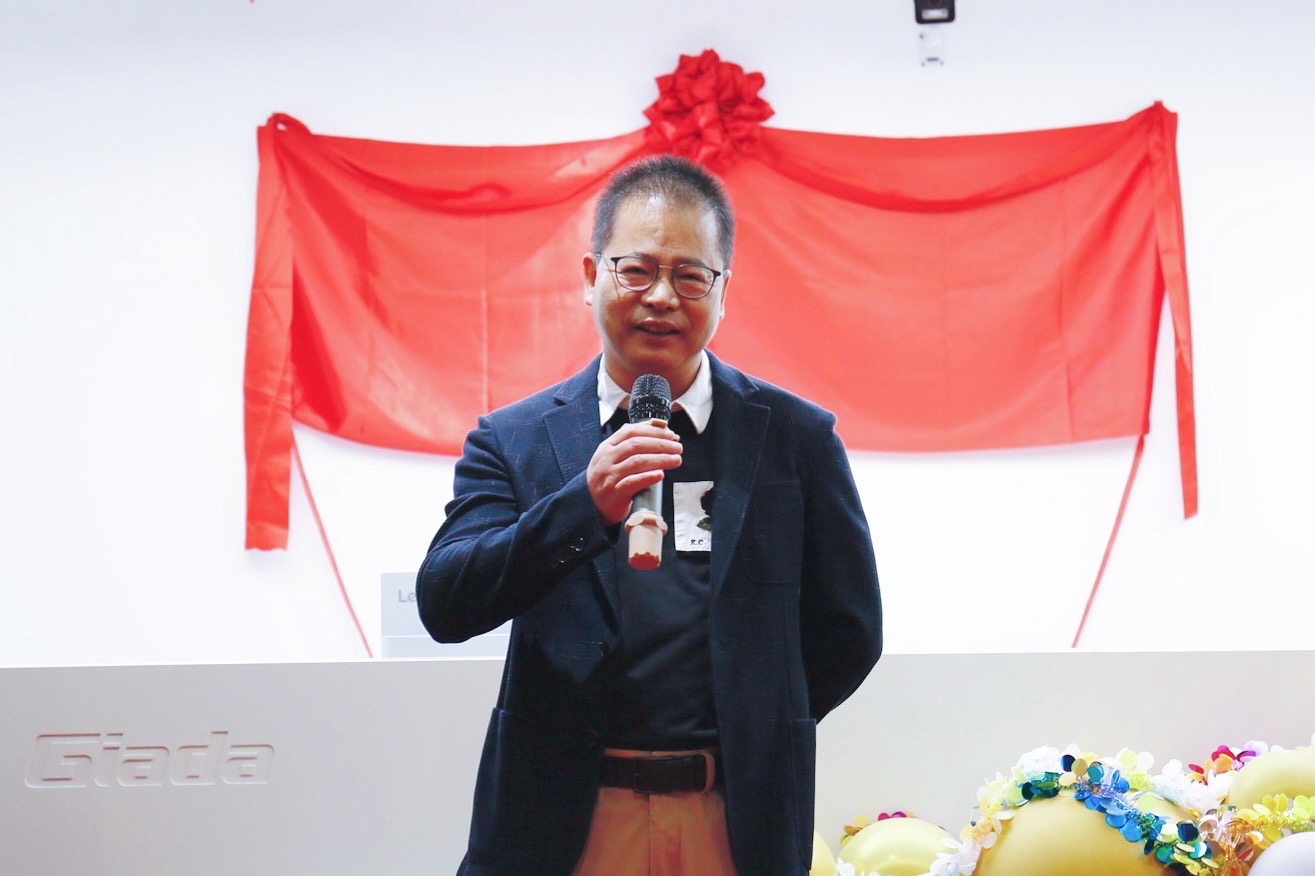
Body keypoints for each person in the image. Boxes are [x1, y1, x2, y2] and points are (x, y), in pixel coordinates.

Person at [416, 155, 882, 876]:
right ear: (590, 276)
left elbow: (850, 629)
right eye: (635, 270)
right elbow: (446, 602)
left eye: (691, 276)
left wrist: (758, 723)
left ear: (722, 292)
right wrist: (583, 505)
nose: (661, 296)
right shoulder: (514, 440)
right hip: (562, 821)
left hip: (733, 821)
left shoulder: (797, 440)